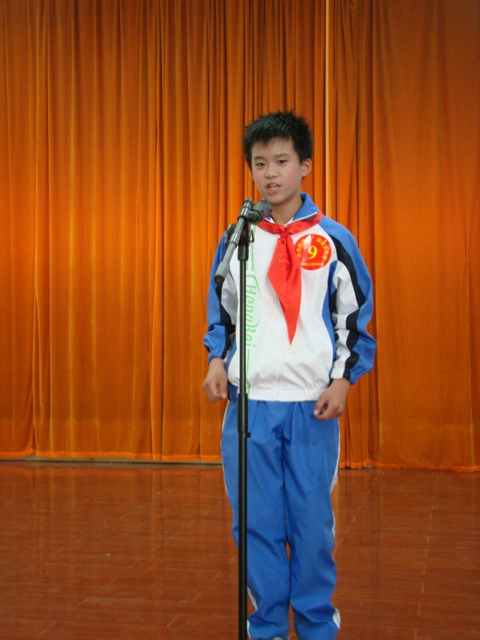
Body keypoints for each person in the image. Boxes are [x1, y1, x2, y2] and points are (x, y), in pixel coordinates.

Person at [203, 111, 376, 640]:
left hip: (310, 406)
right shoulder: (238, 238)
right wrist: (216, 360)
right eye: (260, 163)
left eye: (281, 161)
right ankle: (267, 626)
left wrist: (342, 380)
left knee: (310, 524)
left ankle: (318, 625)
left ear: (305, 165)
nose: (270, 173)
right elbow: (223, 312)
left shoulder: (333, 239)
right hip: (250, 406)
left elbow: (355, 319)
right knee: (255, 523)